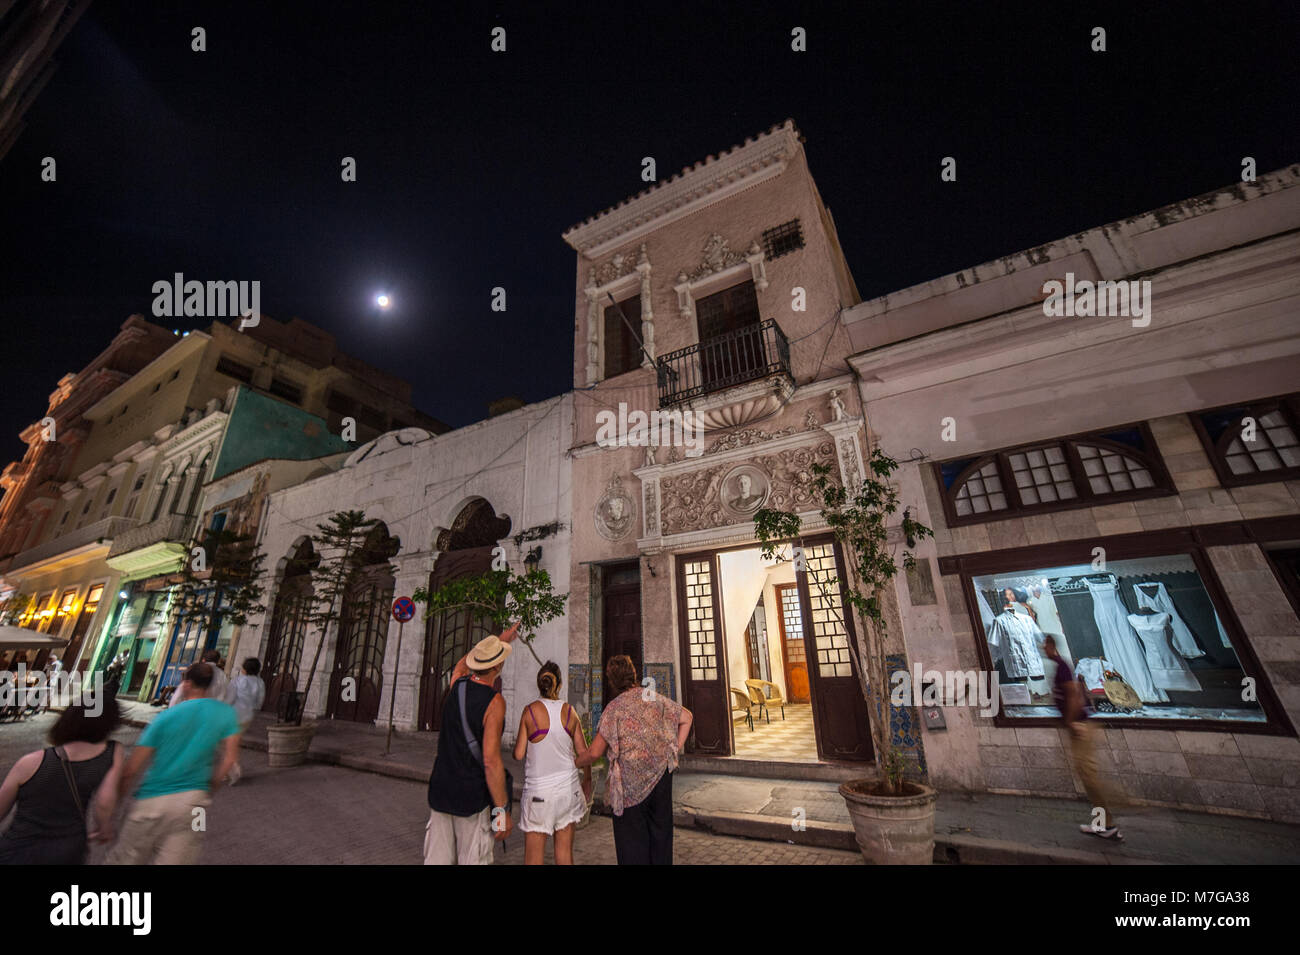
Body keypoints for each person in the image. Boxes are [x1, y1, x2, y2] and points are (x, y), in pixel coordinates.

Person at [105, 662, 241, 864]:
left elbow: (131, 769)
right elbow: (230, 759)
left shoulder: (165, 717)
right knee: (186, 854)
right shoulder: (226, 714)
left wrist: (114, 808)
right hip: (197, 807)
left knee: (125, 859)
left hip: (151, 801)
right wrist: (210, 788)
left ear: (186, 684)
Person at [576, 655, 693, 865]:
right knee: (661, 840)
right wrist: (673, 749)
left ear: (611, 681)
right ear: (634, 674)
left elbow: (594, 753)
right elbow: (687, 718)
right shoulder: (651, 697)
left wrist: (574, 761)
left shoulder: (614, 709)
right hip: (661, 779)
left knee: (632, 846)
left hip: (629, 788)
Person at [424, 627, 518, 865]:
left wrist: (497, 640)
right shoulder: (494, 702)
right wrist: (502, 810)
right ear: (497, 667)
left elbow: (460, 667)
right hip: (470, 798)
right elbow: (491, 761)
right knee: (473, 858)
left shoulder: (457, 686)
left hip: (441, 790)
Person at [0, 701, 124, 864]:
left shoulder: (31, 762)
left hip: (18, 850)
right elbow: (104, 802)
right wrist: (105, 826)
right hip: (67, 850)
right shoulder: (111, 753)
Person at [1046, 634, 1123, 841]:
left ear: (1051, 646)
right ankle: (1104, 823)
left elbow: (1073, 695)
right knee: (1087, 775)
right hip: (1080, 725)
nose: (1042, 649)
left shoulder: (1062, 666)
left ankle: (1121, 808)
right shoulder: (1061, 666)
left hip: (1080, 726)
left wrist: (1072, 722)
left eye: (1044, 646)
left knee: (1089, 776)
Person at [512, 662, 590, 865]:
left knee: (533, 860)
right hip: (568, 791)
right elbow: (583, 753)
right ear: (559, 684)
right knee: (564, 855)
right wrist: (588, 781)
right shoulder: (569, 711)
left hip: (539, 794)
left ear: (539, 684)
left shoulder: (529, 712)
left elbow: (519, 754)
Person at [223, 657, 265, 785]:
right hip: (248, 715)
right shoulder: (260, 682)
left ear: (244, 669)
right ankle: (228, 769)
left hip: (234, 714)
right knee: (234, 741)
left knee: (230, 742)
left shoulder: (237, 681)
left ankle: (233, 769)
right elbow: (260, 701)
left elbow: (229, 697)